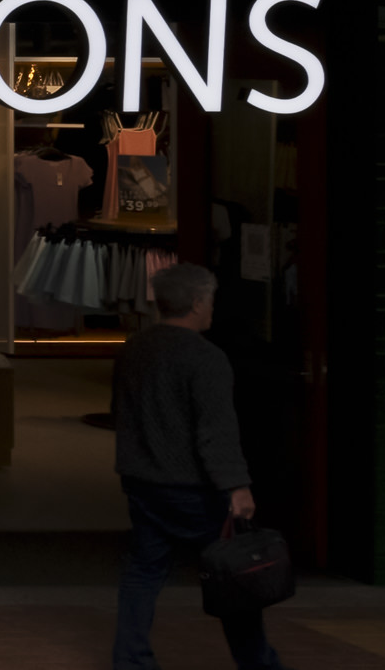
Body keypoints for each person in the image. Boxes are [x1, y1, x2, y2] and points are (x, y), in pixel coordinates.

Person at [112, 261, 281, 670]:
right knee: (236, 576)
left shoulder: (136, 347)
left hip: (142, 481)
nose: (211, 308)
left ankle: (130, 660)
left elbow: (122, 413)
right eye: (209, 300)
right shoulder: (206, 359)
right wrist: (237, 486)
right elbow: (216, 432)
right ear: (195, 302)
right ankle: (258, 663)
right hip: (194, 488)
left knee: (143, 573)